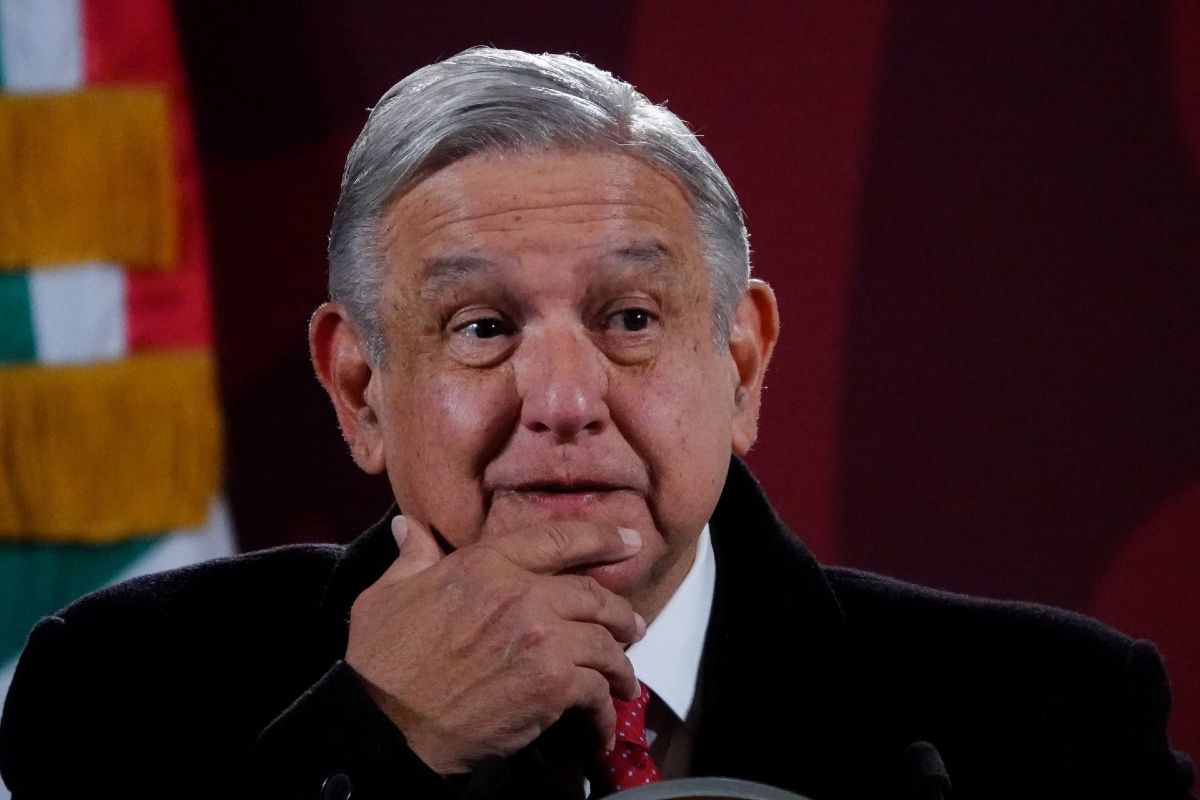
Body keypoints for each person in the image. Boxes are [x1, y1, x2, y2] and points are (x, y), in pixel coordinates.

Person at [0, 47, 1194, 800]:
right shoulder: (125, 686)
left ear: (739, 362)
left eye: (629, 316)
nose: (565, 402)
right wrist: (375, 736)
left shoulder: (1053, 718)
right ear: (359, 386)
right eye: (479, 326)